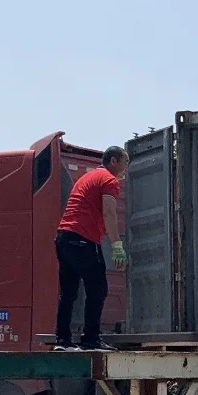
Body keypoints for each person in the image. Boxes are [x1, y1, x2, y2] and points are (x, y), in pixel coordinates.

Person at [53, 145, 129, 351]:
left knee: (68, 292)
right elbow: (109, 213)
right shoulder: (109, 180)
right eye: (125, 162)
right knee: (98, 289)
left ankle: (62, 340)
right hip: (83, 239)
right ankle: (90, 339)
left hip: (63, 237)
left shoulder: (87, 177)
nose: (126, 167)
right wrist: (117, 246)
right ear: (113, 161)